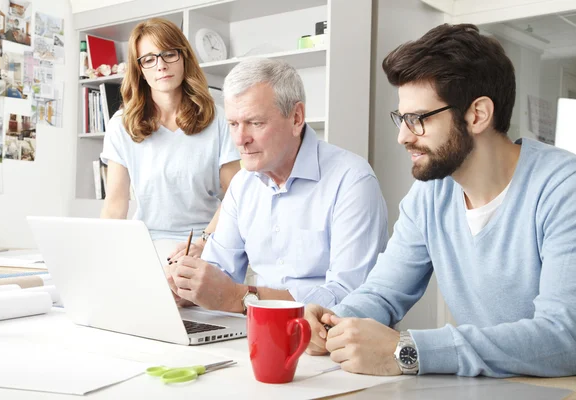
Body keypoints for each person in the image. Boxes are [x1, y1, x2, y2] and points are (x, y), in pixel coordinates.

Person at [304, 23, 576, 378]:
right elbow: (384, 292)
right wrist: (333, 320)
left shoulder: (563, 188)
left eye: (417, 119)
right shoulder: (430, 194)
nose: (403, 136)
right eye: (401, 119)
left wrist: (408, 351)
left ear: (477, 114)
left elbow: (563, 338)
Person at [165, 58, 388, 312]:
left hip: (329, 341)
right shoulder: (242, 184)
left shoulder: (352, 181)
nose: (240, 139)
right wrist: (188, 288)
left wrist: (240, 297)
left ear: (296, 118)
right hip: (259, 332)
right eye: (233, 124)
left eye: (255, 123)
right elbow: (221, 272)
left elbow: (349, 295)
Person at [100, 18, 240, 261]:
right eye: (149, 59)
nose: (161, 66)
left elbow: (235, 196)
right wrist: (101, 256)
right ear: (140, 70)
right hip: (147, 244)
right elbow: (115, 207)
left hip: (207, 241)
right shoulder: (120, 126)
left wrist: (204, 242)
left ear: (184, 57)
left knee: (181, 289)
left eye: (169, 54)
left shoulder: (218, 119)